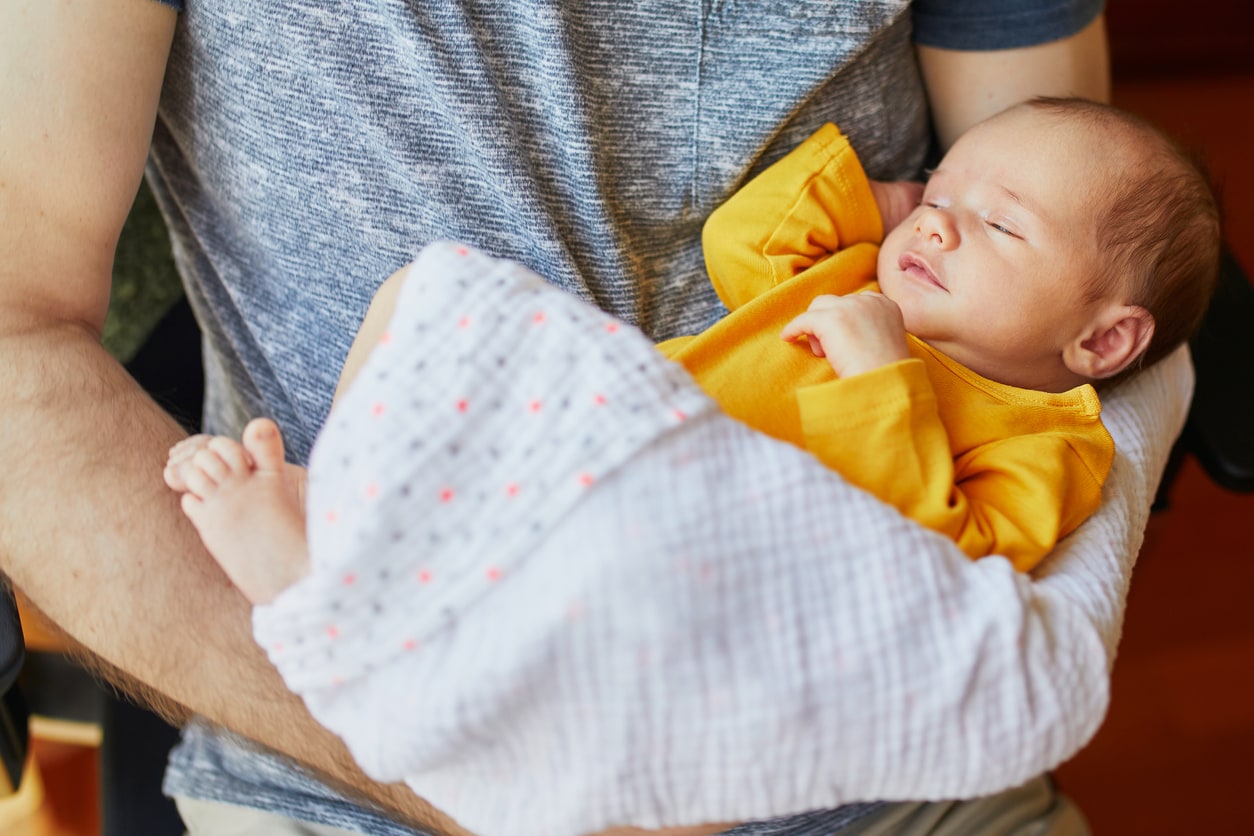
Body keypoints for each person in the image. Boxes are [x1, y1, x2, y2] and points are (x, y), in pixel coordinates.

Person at [0, 0, 1186, 833]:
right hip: (364, 766)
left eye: (995, 223)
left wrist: (885, 377)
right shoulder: (865, 269)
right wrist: (877, 196)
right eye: (946, 190)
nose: (939, 220)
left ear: (1103, 347)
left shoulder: (1031, 423)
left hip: (845, 746)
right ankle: (343, 596)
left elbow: (953, 563)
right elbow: (14, 334)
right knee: (446, 304)